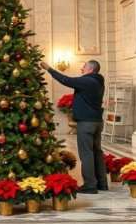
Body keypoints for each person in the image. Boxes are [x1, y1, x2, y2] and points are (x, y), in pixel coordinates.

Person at [41, 60, 107, 194]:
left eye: (84, 67)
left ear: (90, 69)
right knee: (97, 152)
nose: (82, 69)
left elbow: (66, 80)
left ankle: (90, 185)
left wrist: (49, 69)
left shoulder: (87, 81)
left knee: (87, 153)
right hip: (97, 122)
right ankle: (102, 183)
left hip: (86, 122)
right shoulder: (99, 82)